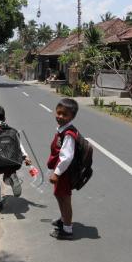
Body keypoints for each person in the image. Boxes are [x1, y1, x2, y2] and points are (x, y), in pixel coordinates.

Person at [47, 98, 79, 239]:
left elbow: (66, 157)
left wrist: (57, 173)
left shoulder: (68, 134)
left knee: (64, 198)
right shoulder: (63, 130)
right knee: (59, 196)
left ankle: (67, 230)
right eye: (58, 112)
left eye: (64, 114)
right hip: (61, 172)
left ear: (72, 117)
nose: (60, 116)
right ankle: (63, 219)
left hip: (64, 173)